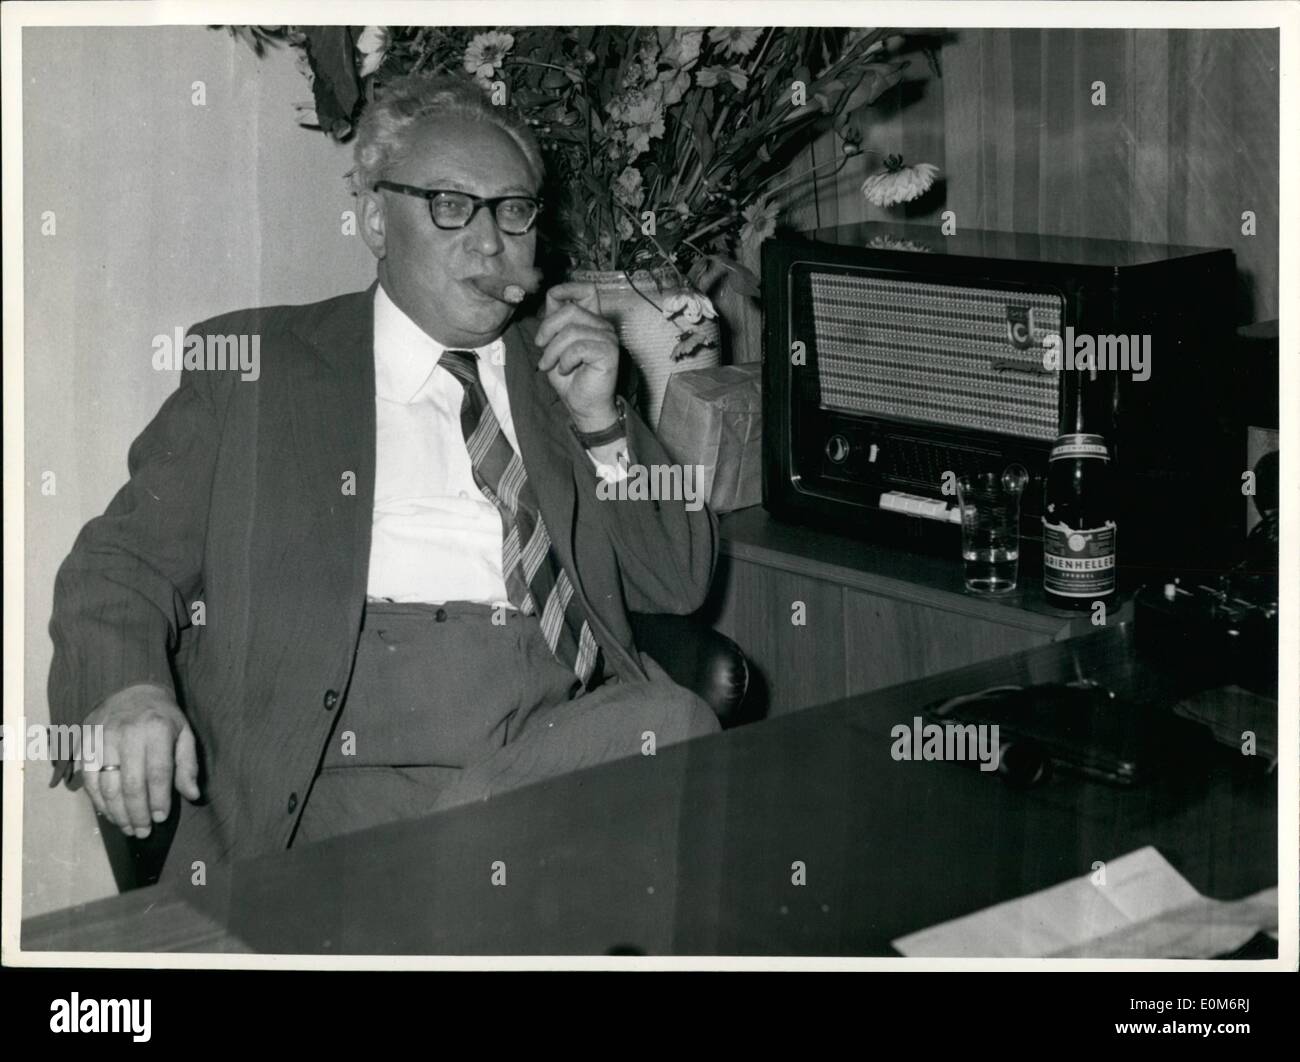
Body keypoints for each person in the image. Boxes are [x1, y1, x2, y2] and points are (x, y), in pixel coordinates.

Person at [47, 74, 719, 885]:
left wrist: (603, 421)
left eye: (513, 210)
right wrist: (129, 694)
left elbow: (679, 583)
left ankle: (444, 873)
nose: (489, 242)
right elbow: (118, 566)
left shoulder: (564, 373)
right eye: (448, 204)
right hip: (336, 782)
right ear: (373, 217)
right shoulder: (257, 369)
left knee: (669, 721)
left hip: (552, 750)